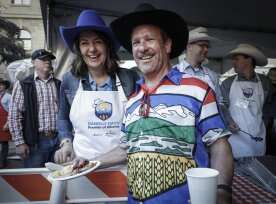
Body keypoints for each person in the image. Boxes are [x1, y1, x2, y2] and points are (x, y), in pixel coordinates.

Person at [97, 3, 232, 204]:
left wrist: (221, 191)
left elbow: (219, 145)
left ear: (167, 45)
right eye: (136, 42)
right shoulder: (133, 99)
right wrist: (92, 162)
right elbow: (127, 148)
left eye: (149, 39)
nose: (142, 48)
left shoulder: (197, 88)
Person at [54, 10, 139, 164]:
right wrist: (66, 142)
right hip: (81, 166)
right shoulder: (70, 80)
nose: (92, 49)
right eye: (84, 43)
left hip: (121, 167)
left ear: (107, 46)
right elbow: (62, 117)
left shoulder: (129, 78)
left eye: (98, 41)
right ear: (79, 49)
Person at [8, 49, 60, 168]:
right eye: (43, 59)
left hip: (58, 141)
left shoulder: (58, 84)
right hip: (35, 143)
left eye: (49, 59)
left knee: (59, 179)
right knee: (34, 182)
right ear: (33, 62)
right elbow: (14, 115)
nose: (47, 62)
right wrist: (19, 142)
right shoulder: (23, 84)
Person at [221, 44, 272, 159]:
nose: (233, 62)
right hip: (236, 136)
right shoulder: (227, 83)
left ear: (249, 59)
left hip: (258, 135)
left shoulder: (265, 82)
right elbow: (221, 106)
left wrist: (266, 123)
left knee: (257, 167)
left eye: (237, 59)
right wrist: (228, 121)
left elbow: (269, 107)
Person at [177, 27, 224, 109]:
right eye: (202, 45)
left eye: (207, 46)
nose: (206, 49)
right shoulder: (174, 72)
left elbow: (219, 103)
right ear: (189, 46)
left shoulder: (212, 76)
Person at [0, 79, 11, 168]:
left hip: (4, 121)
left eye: (1, 85)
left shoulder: (8, 97)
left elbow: (11, 111)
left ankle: (3, 162)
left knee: (4, 143)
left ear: (5, 86)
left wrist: (8, 123)